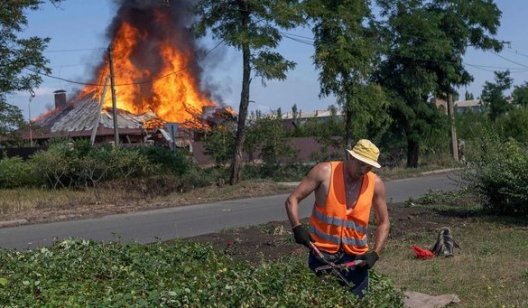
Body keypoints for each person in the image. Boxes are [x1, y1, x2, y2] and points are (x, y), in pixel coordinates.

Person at [285, 139, 390, 297]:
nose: (364, 170)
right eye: (361, 164)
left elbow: (384, 222)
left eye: (369, 167)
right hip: (322, 256)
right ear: (350, 157)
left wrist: (375, 253)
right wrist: (297, 227)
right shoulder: (324, 172)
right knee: (320, 301)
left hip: (356, 260)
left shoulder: (375, 184)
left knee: (357, 303)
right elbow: (292, 200)